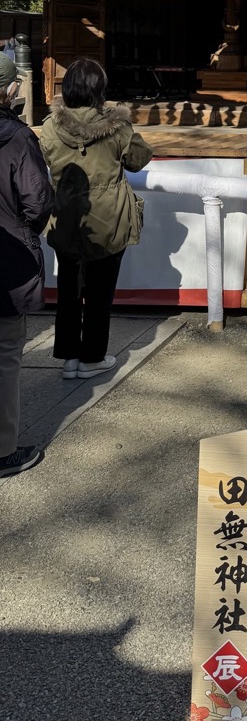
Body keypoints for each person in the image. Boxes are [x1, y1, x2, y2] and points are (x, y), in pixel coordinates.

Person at [39, 58, 153, 379]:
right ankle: (92, 358)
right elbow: (138, 159)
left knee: (68, 289)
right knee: (100, 293)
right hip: (109, 220)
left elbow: (47, 158)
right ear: (99, 89)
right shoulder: (117, 126)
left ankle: (69, 358)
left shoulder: (50, 127)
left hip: (66, 219)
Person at [0, 54, 53, 478]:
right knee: (4, 356)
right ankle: (3, 450)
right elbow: (37, 203)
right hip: (5, 262)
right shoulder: (17, 138)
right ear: (9, 89)